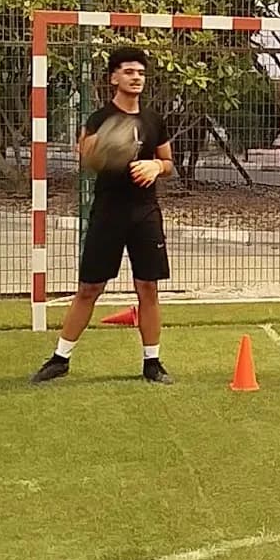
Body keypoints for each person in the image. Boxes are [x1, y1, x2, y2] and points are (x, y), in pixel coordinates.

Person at [32, 46, 175, 386]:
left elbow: (169, 164)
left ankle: (152, 362)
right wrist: (100, 150)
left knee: (148, 287)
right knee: (89, 288)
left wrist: (156, 165)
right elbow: (86, 159)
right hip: (109, 212)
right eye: (128, 71)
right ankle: (60, 358)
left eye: (140, 72)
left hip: (145, 213)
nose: (136, 77)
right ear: (114, 78)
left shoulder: (154, 120)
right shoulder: (98, 119)